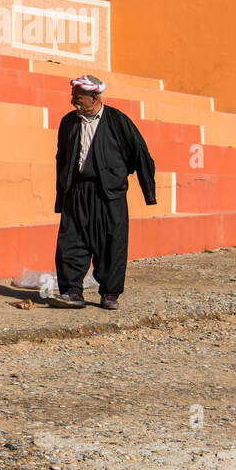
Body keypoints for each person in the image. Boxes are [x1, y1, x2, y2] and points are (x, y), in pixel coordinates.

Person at [50, 75, 156, 310]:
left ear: (94, 97)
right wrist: (61, 195)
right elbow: (62, 160)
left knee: (111, 242)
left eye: (78, 98)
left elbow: (139, 153)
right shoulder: (68, 122)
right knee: (71, 240)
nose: (72, 102)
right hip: (77, 191)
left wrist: (149, 192)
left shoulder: (118, 121)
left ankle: (109, 293)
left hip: (109, 193)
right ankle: (72, 291)